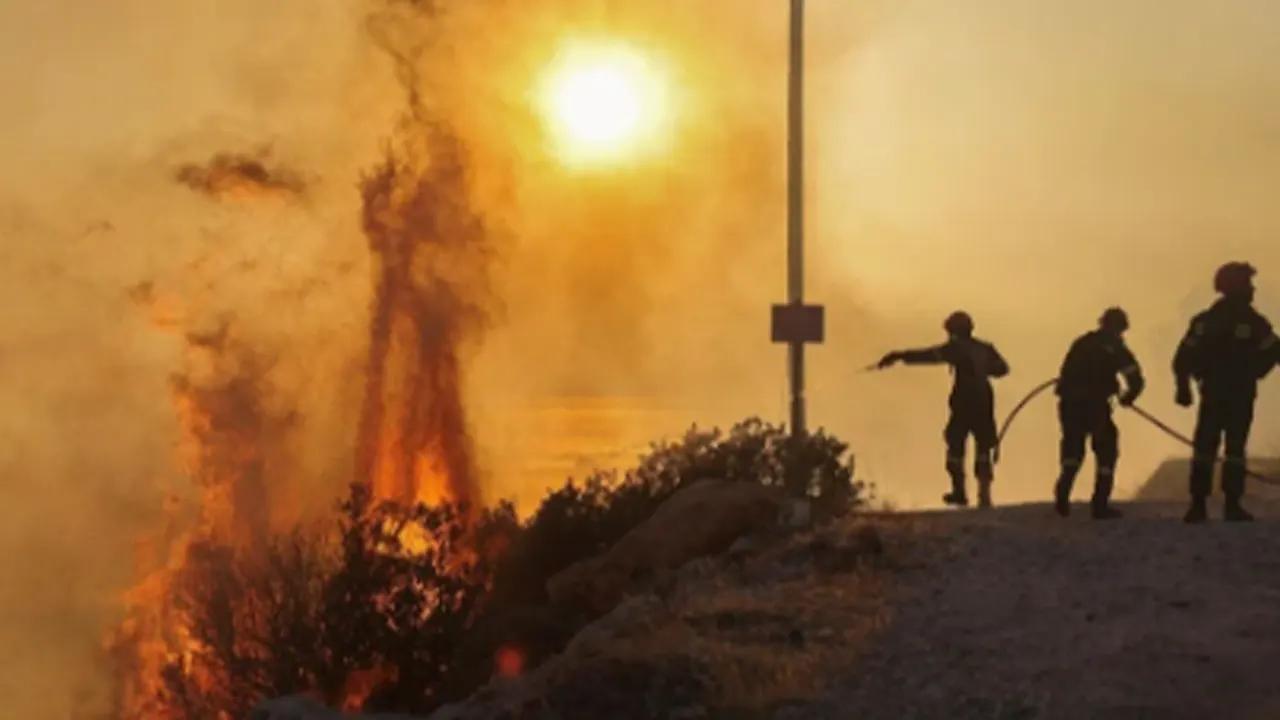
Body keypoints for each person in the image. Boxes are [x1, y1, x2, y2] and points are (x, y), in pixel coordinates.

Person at [1174, 262, 1280, 523]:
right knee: (1223, 448)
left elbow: (1183, 359)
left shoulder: (1230, 321)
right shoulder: (1228, 322)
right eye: (1247, 283)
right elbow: (1184, 358)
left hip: (1227, 393)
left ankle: (1207, 505)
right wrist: (1183, 387)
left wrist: (1184, 387)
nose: (1252, 289)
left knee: (1216, 448)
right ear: (1235, 287)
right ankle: (1217, 505)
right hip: (1230, 394)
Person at [878, 311, 1010, 508]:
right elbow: (1003, 369)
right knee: (983, 447)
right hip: (984, 403)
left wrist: (898, 356)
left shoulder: (955, 349)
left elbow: (929, 355)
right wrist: (985, 369)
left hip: (964, 404)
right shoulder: (985, 348)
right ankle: (984, 495)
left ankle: (959, 492)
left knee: (955, 446)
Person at [1052, 308, 1145, 519]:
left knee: (1072, 450)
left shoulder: (1082, 343)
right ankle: (1100, 504)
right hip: (1096, 407)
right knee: (1107, 450)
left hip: (1070, 405)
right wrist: (1128, 397)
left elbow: (1066, 373)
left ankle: (1062, 495)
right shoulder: (1116, 347)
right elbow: (1135, 379)